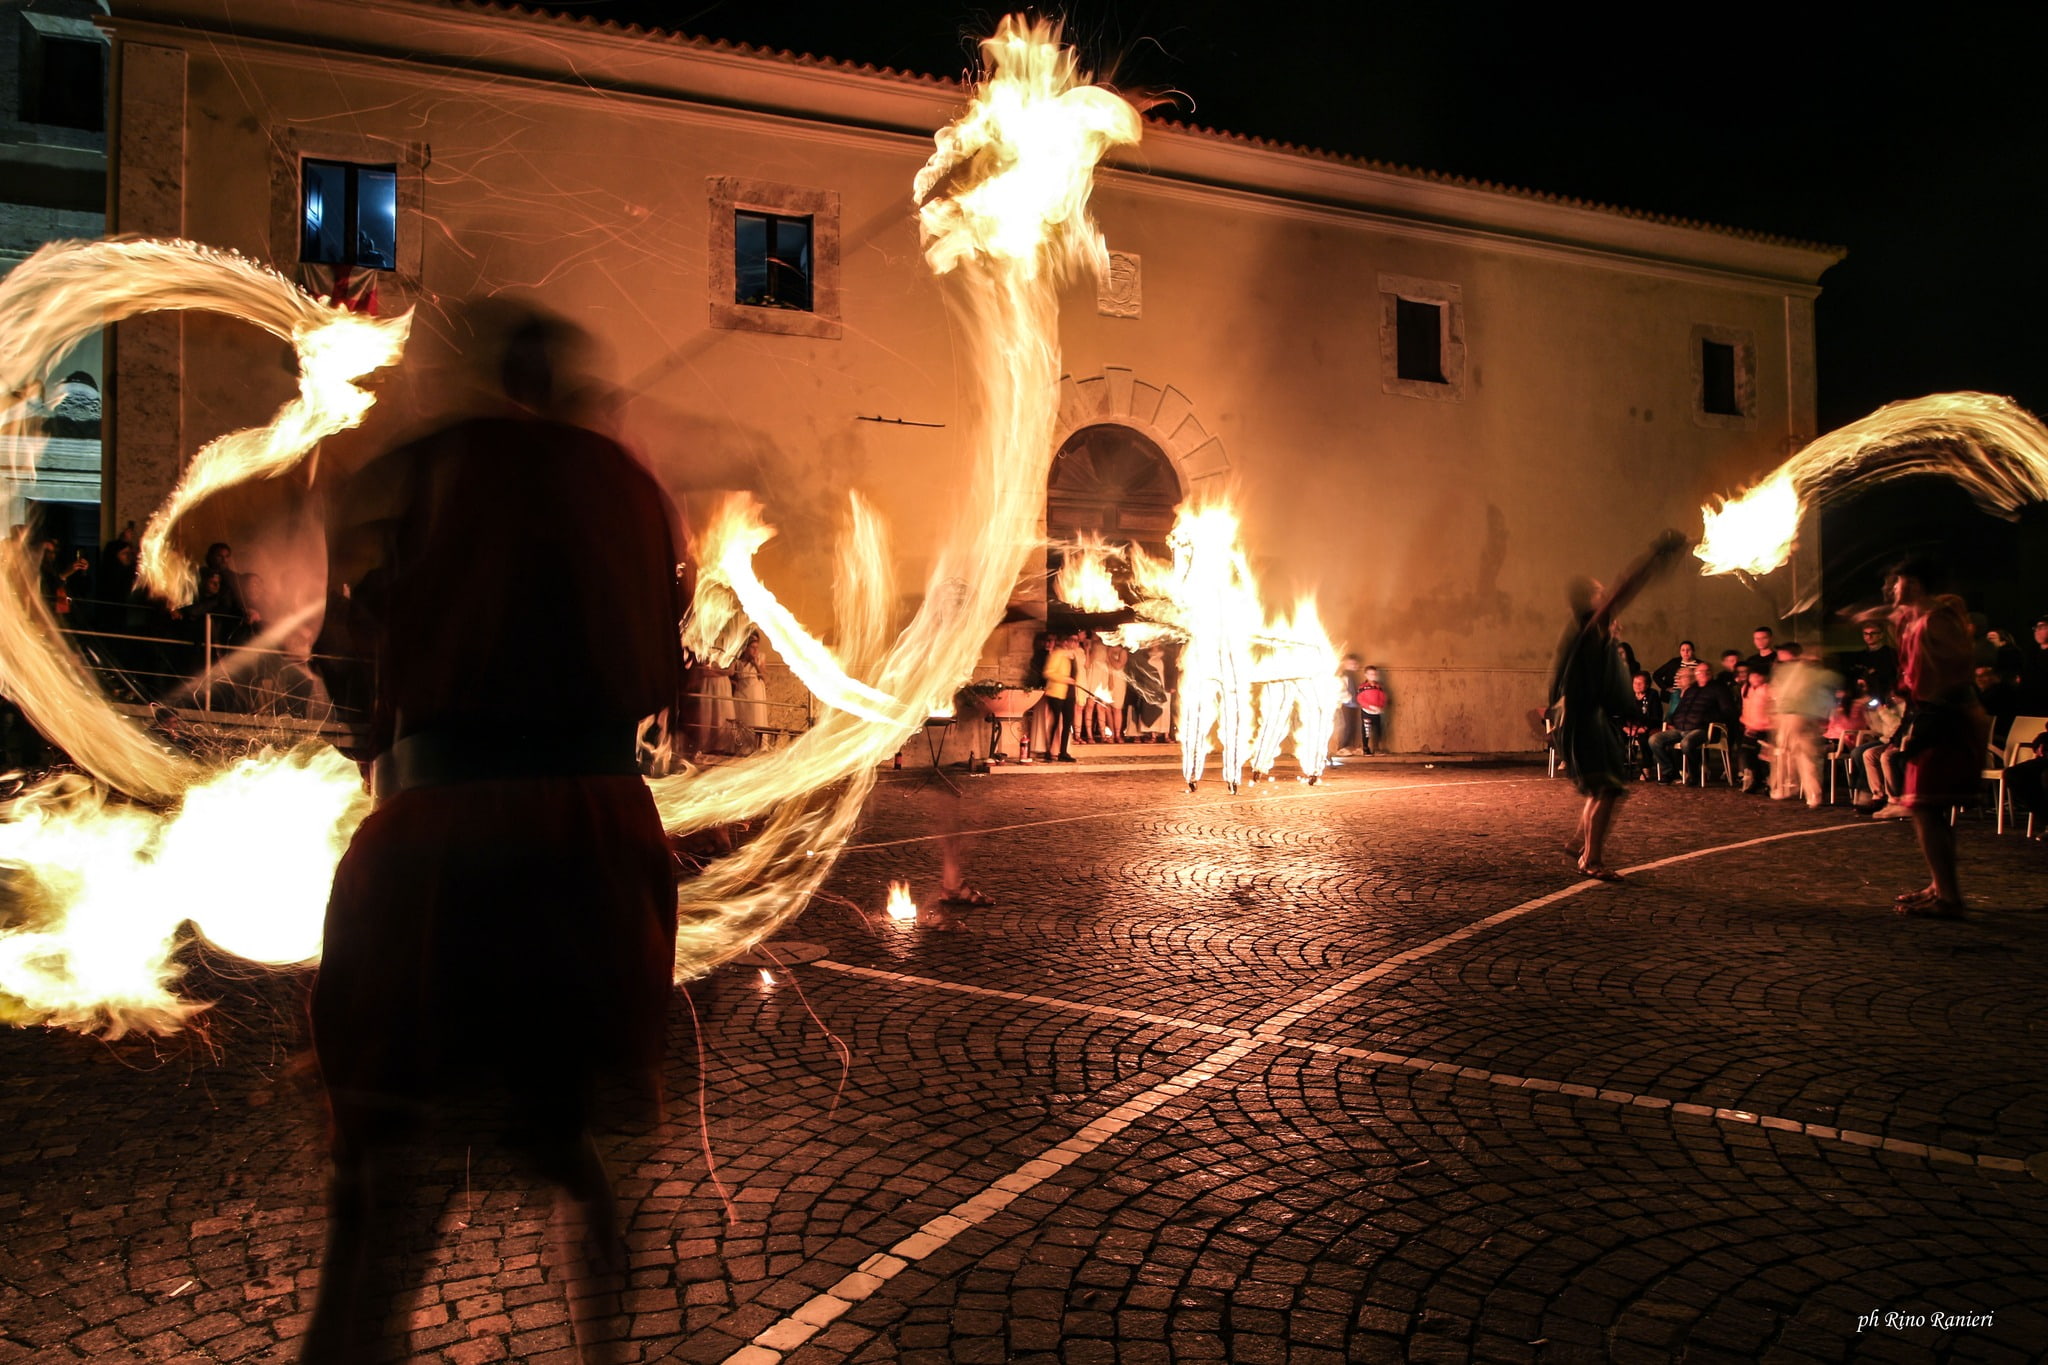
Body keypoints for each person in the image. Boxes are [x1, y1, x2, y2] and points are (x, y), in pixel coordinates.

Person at [303, 306, 685, 1362]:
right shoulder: (632, 489)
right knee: (586, 1151)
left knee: (381, 1181)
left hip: (444, 849)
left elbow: (350, 663)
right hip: (601, 847)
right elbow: (669, 666)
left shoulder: (427, 467)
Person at [1550, 531, 1689, 880]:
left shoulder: (1592, 632)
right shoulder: (1587, 625)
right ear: (1590, 601)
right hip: (1585, 721)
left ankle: (1579, 842)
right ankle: (1590, 859)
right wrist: (1654, 556)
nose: (1605, 595)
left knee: (1602, 787)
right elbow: (1625, 586)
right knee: (1609, 788)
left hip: (1590, 720)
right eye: (1599, 592)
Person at [1863, 557, 1989, 918]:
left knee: (1926, 807)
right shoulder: (1914, 620)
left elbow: (1952, 674)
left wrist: (1925, 709)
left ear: (1915, 583)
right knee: (1927, 808)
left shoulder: (1939, 620)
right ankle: (1940, 887)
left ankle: (1949, 898)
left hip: (1945, 719)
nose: (1891, 588)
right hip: (1931, 716)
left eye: (1897, 580)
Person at [1042, 632, 1078, 762]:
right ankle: (1049, 750)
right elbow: (1048, 672)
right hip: (1056, 693)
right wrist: (1064, 679)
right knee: (1056, 721)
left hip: (1070, 693)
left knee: (1068, 723)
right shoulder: (1057, 654)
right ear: (1065, 642)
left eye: (1076, 641)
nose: (1074, 643)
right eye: (1072, 640)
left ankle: (1063, 752)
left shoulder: (1074, 656)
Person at [1357, 665, 1389, 754]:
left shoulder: (1379, 686)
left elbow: (1383, 698)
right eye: (1370, 674)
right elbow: (1360, 699)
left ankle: (1377, 748)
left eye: (1374, 674)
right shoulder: (1362, 687)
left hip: (1377, 712)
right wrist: (1370, 706)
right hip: (1366, 712)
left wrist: (1380, 707)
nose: (1373, 676)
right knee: (1367, 731)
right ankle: (1366, 748)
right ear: (1366, 675)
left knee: (1378, 730)